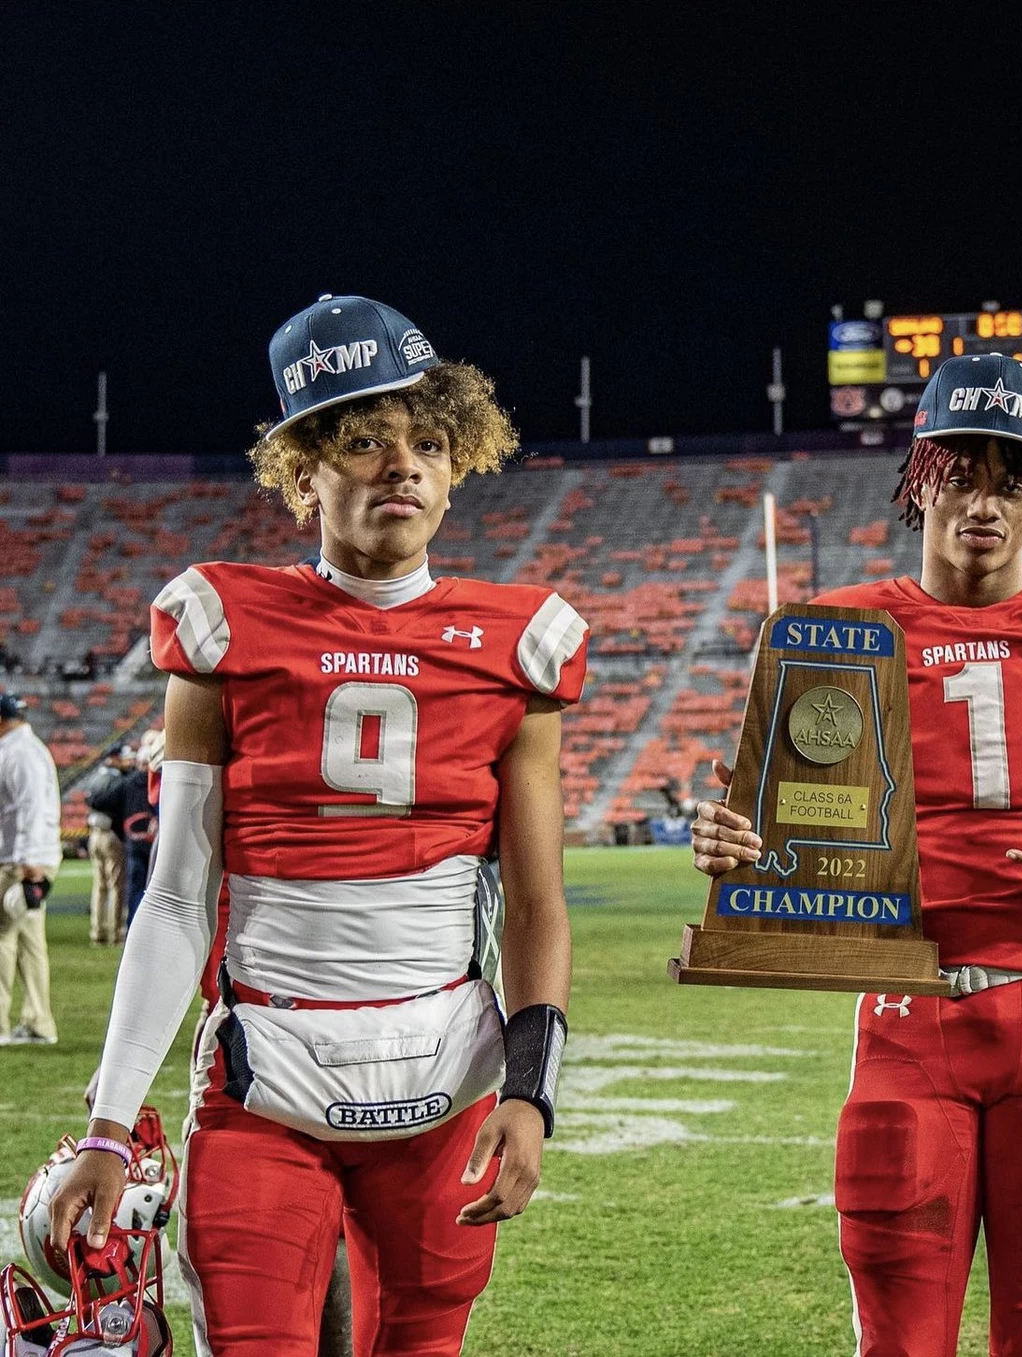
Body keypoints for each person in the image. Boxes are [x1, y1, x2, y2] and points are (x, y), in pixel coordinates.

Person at [50, 293, 588, 1356]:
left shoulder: (515, 644)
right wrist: (110, 1120)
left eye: (428, 442)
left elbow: (534, 901)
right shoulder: (223, 623)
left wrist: (534, 1093)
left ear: (458, 463)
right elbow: (173, 896)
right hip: (266, 1077)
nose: (404, 465)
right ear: (302, 473)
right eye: (363, 441)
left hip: (445, 1077)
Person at [691, 353, 1022, 1356]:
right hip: (911, 1010)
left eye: (1012, 475)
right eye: (962, 471)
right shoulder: (841, 633)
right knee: (899, 1337)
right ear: (919, 479)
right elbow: (791, 846)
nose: (985, 499)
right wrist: (737, 851)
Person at [0, 692, 63, 1045]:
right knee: (28, 943)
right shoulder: (28, 748)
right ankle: (39, 1023)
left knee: (3, 938)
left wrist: (29, 862)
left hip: (19, 860)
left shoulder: (18, 753)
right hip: (26, 857)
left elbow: (30, 809)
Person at [85, 743, 133, 945]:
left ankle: (97, 931)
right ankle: (116, 932)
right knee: (116, 886)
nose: (127, 762)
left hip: (94, 834)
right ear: (114, 758)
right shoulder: (117, 781)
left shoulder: (96, 776)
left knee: (100, 885)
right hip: (111, 835)